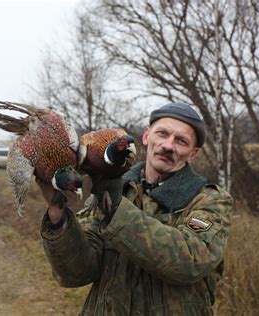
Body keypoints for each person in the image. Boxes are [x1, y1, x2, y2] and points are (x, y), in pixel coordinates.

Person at [38, 102, 233, 315]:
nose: (168, 145)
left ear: (193, 153)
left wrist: (116, 210)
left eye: (181, 141)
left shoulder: (210, 199)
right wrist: (57, 214)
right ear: (146, 136)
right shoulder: (116, 188)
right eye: (162, 134)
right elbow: (77, 273)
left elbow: (191, 260)